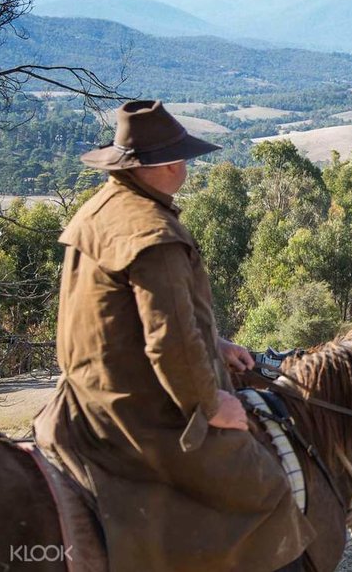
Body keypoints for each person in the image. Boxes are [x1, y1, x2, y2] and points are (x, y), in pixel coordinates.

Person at [33, 101, 314, 571]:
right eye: (180, 158)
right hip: (135, 412)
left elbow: (133, 319)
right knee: (265, 494)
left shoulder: (103, 208)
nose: (185, 166)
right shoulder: (154, 234)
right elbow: (167, 343)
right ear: (161, 166)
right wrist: (210, 405)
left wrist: (216, 344)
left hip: (82, 398)